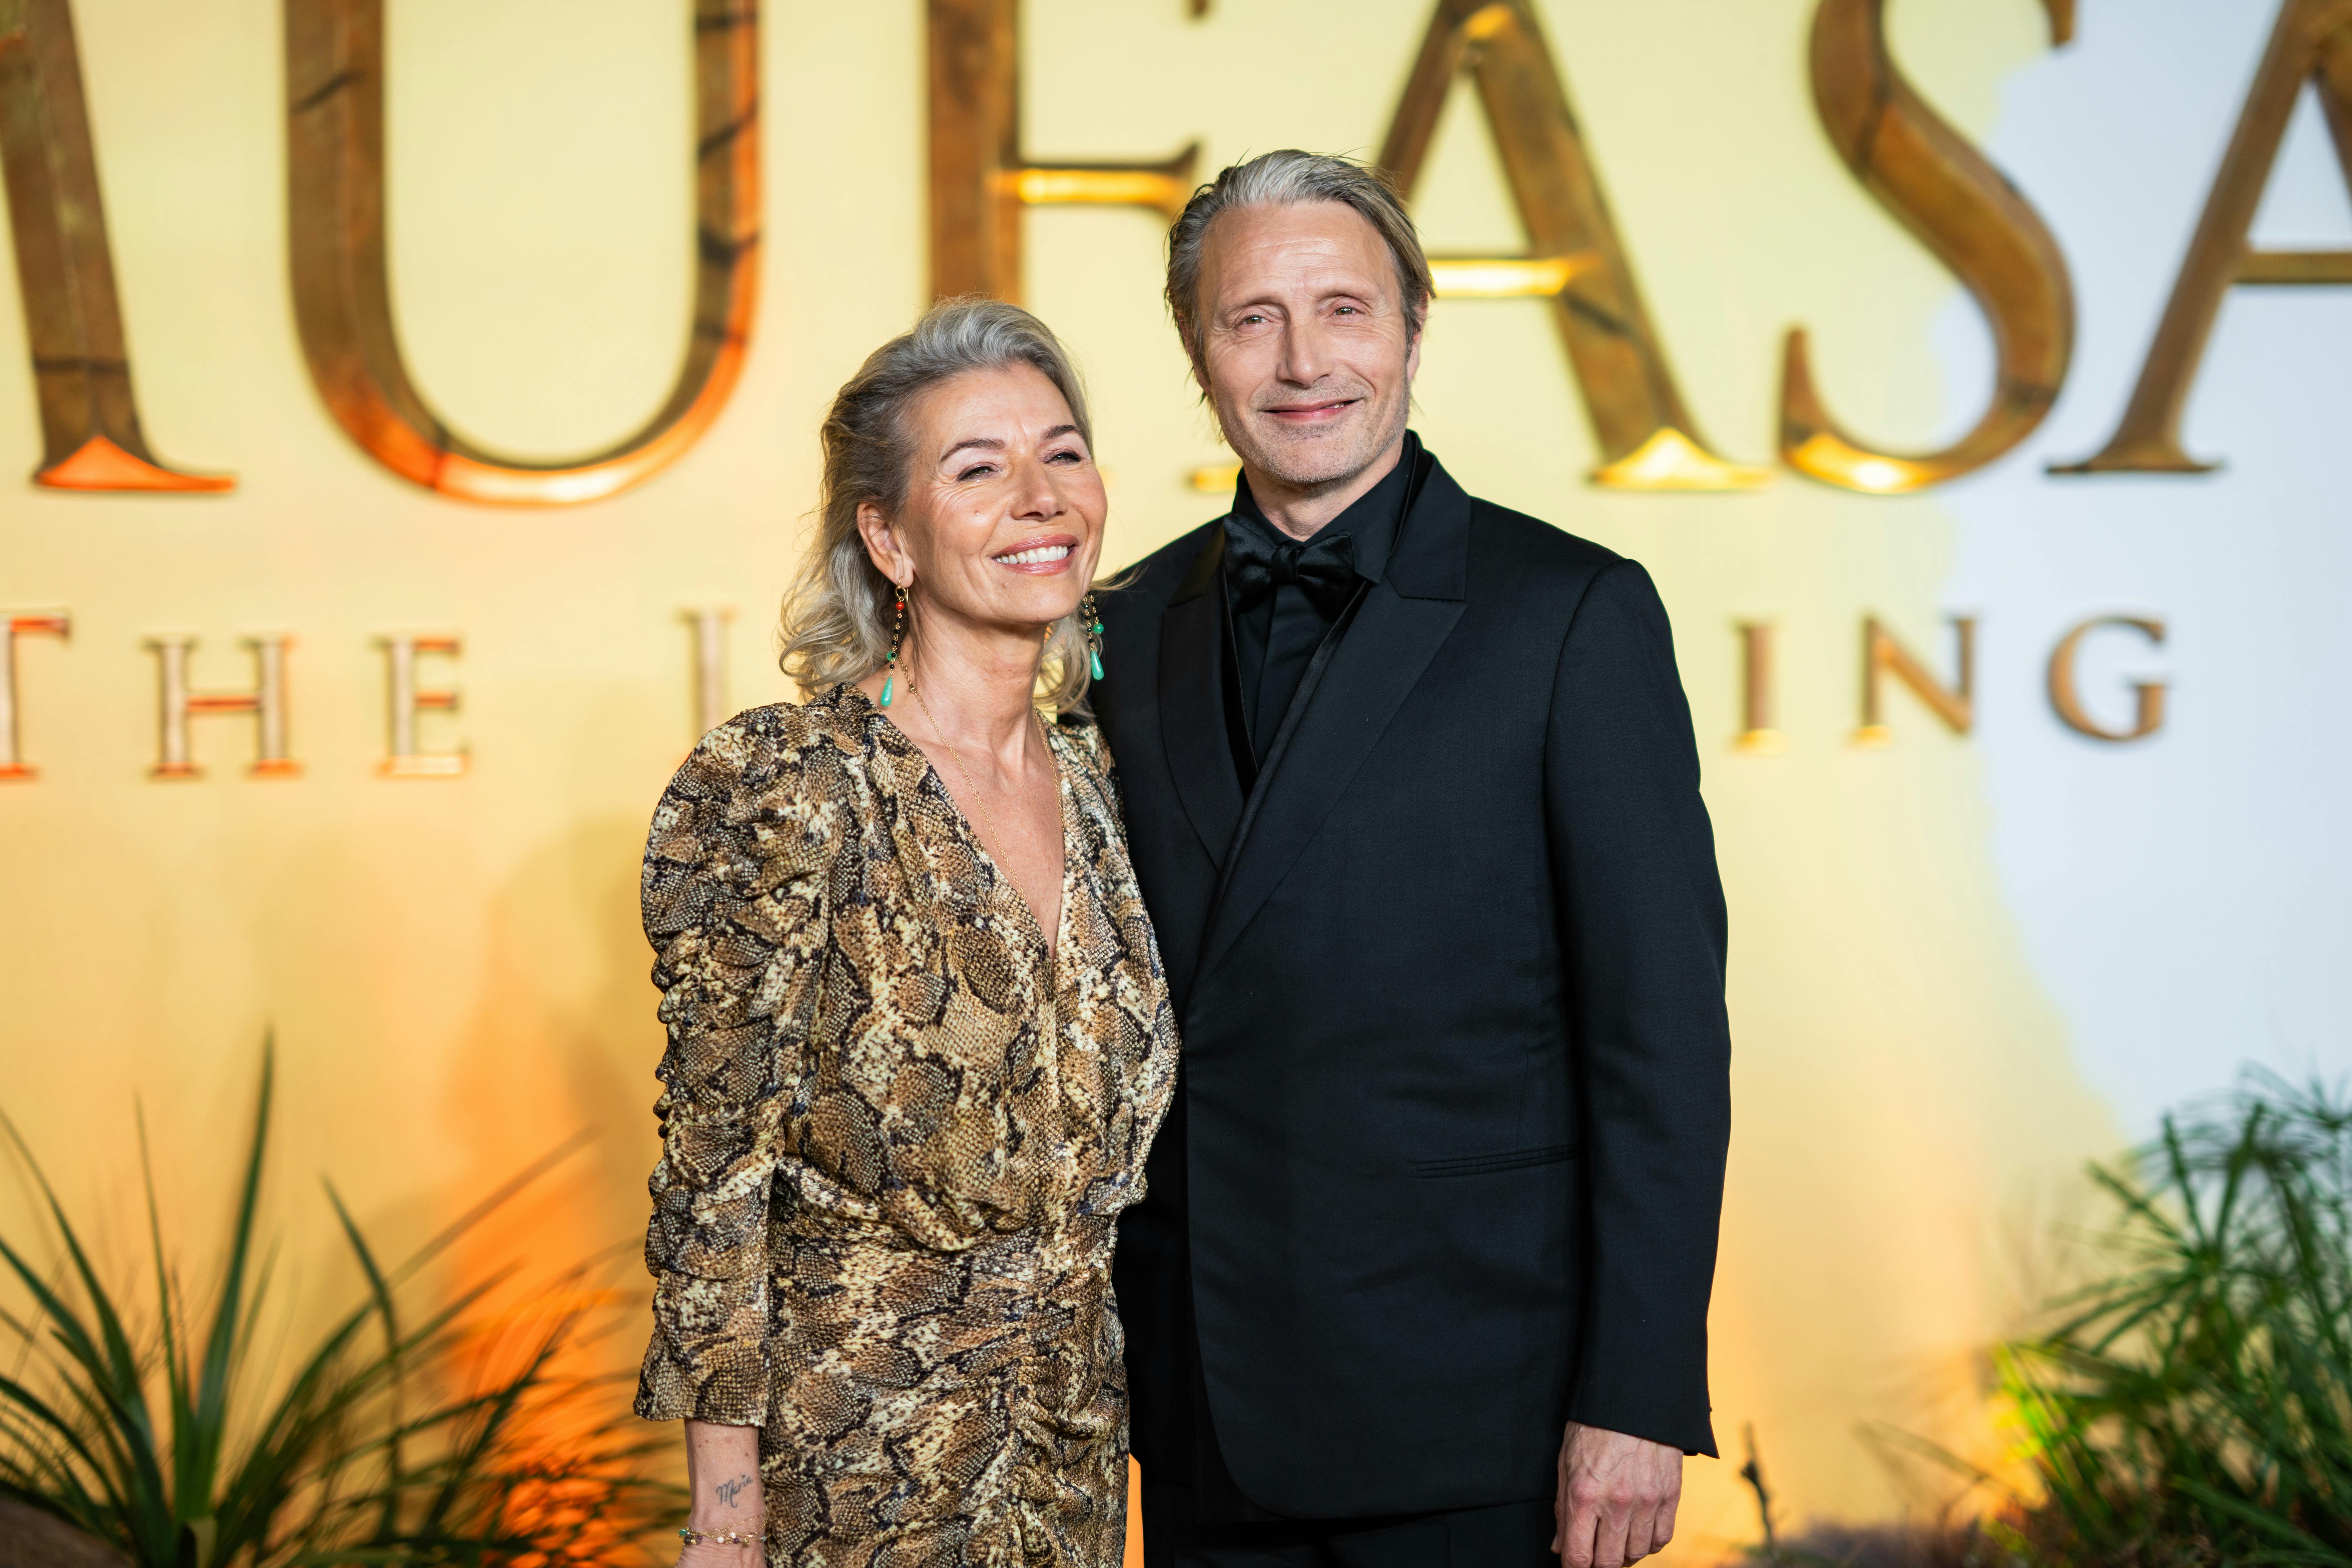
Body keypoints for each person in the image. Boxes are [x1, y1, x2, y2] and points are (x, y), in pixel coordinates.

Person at [1092, 151, 1734, 1568]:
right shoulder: (1121, 625)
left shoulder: (1570, 614)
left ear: (1411, 330)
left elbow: (1661, 1045)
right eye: (1250, 317)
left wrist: (1635, 1395)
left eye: (1343, 308)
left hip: (1483, 1419)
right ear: (1195, 351)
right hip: (1199, 1407)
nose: (1301, 359)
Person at [633, 299, 1179, 1568]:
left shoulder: (1113, 779)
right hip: (860, 1460)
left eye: (1064, 452)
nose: (1039, 497)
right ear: (888, 536)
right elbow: (718, 1177)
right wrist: (724, 1522)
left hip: (1074, 1447)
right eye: (978, 470)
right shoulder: (782, 784)